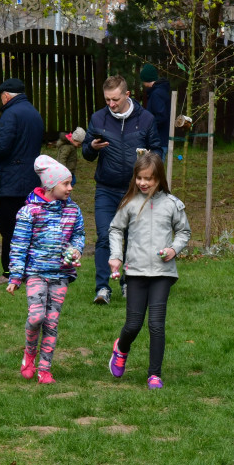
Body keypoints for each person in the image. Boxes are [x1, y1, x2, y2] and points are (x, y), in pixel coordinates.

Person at [107, 153, 191, 390]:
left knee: (156, 324)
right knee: (133, 324)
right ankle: (121, 348)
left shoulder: (172, 204)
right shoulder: (129, 204)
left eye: (148, 179)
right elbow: (115, 229)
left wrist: (174, 249)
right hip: (135, 272)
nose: (143, 183)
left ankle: (154, 374)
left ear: (159, 179)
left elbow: (184, 232)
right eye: (139, 178)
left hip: (163, 274)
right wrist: (116, 256)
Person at [82, 75, 163, 305]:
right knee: (104, 237)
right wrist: (93, 147)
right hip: (106, 189)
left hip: (135, 191)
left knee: (133, 238)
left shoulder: (145, 119)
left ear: (127, 95)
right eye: (107, 100)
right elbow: (86, 153)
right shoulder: (98, 118)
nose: (111, 104)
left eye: (115, 99)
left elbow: (158, 150)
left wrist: (149, 157)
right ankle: (102, 288)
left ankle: (128, 284)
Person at [7, 155, 85, 385]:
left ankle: (45, 369)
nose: (70, 188)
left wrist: (76, 249)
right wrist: (15, 276)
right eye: (66, 183)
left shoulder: (73, 210)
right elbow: (19, 245)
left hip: (61, 275)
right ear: (51, 185)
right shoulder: (30, 212)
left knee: (51, 322)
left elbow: (79, 235)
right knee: (36, 317)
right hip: (36, 274)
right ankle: (29, 353)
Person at [0, 78, 45, 284]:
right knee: (28, 227)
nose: (1, 101)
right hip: (31, 180)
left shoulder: (10, 114)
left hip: (10, 181)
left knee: (9, 229)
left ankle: (9, 273)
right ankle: (29, 271)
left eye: (1, 97)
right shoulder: (34, 113)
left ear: (6, 96)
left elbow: (2, 147)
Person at [140, 64, 171, 159]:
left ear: (146, 79)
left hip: (159, 141)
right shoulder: (160, 91)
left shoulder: (156, 94)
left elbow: (161, 117)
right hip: (159, 139)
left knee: (154, 171)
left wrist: (148, 126)